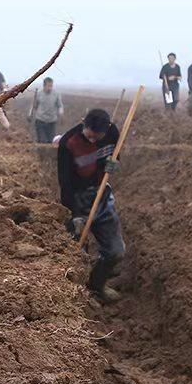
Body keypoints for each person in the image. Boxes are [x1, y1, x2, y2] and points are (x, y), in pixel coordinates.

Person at [57, 108, 125, 303]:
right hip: (77, 199)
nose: (94, 140)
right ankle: (79, 298)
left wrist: (114, 163)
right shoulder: (68, 143)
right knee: (78, 256)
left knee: (115, 251)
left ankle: (96, 285)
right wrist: (74, 215)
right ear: (82, 123)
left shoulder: (111, 131)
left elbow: (116, 154)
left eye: (99, 137)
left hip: (103, 196)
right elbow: (65, 183)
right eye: (90, 135)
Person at [29, 77, 64, 143]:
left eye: (51, 86)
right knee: (42, 141)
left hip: (52, 121)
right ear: (44, 86)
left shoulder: (56, 94)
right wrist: (30, 114)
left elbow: (60, 105)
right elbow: (34, 106)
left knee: (51, 141)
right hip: (40, 120)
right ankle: (40, 153)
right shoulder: (39, 94)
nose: (50, 88)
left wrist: (61, 113)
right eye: (48, 86)